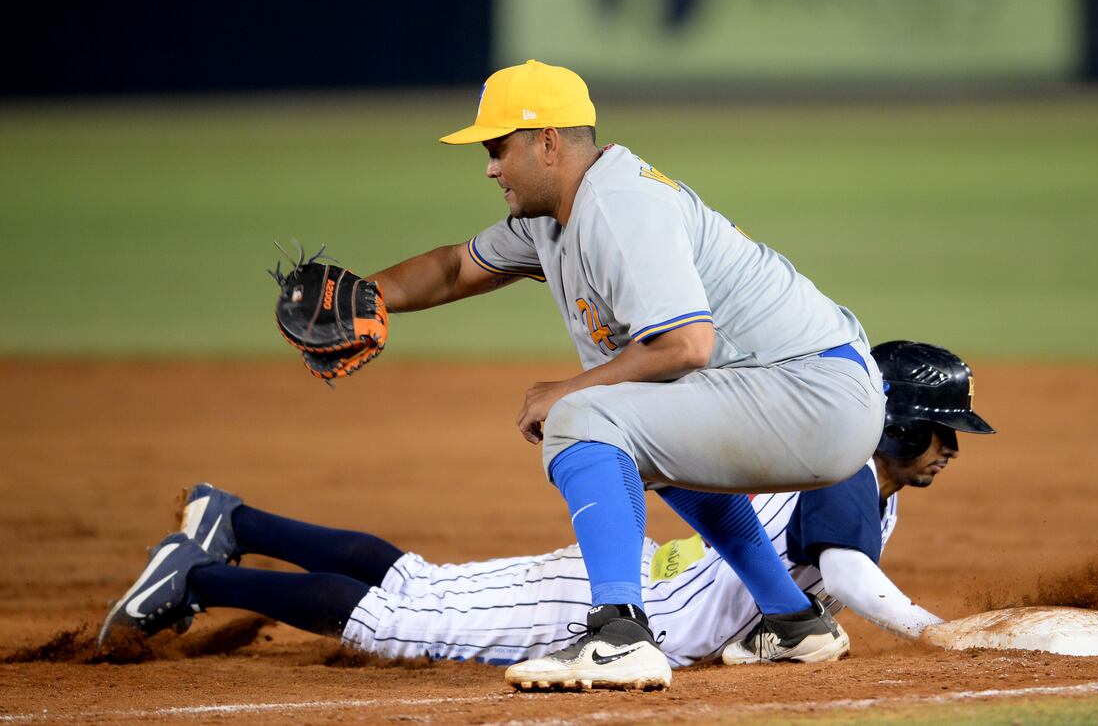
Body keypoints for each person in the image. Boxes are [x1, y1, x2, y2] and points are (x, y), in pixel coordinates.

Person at [341, 58, 888, 689]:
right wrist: (361, 296)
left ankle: (620, 635)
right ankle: (794, 620)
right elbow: (456, 268)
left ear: (548, 142)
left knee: (584, 418)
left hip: (814, 394)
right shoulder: (558, 214)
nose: (490, 168)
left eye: (497, 149)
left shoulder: (618, 204)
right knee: (642, 433)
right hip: (807, 393)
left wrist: (565, 392)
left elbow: (686, 344)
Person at [98, 341, 994, 690]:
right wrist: (927, 629)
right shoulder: (847, 468)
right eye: (941, 431)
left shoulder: (851, 470)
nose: (950, 448)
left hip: (638, 579)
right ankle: (200, 576)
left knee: (421, 584)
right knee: (402, 622)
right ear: (896, 423)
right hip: (633, 603)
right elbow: (841, 571)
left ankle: (237, 522)